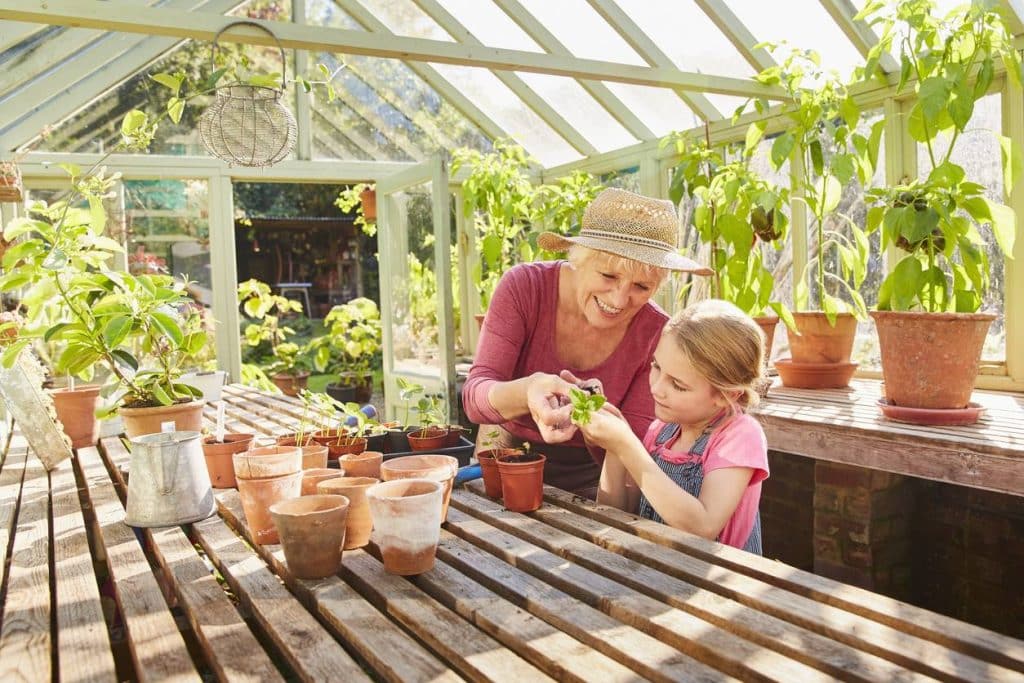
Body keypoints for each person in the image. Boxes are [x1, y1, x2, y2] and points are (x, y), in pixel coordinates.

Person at [462, 188, 712, 498]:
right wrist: (529, 390)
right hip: (507, 453)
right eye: (608, 275)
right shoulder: (524, 288)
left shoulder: (656, 332)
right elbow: (475, 397)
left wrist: (597, 420)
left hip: (592, 476)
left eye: (641, 286)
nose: (620, 299)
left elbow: (630, 454)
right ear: (579, 259)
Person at [576, 299, 768, 553]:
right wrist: (616, 449)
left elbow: (703, 527)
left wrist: (628, 445)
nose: (656, 388)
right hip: (660, 573)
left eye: (677, 385)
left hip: (718, 584)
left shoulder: (740, 435)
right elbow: (618, 512)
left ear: (727, 394)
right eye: (656, 367)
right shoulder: (661, 432)